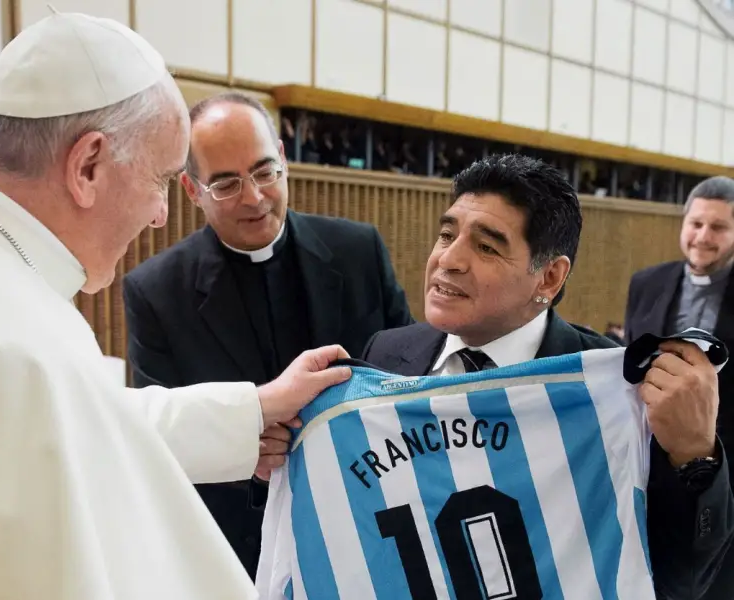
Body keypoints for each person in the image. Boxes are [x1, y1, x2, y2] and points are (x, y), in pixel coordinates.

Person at [0, 12, 353, 600]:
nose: (161, 214)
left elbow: (78, 424)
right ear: (87, 167)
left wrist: (247, 413)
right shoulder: (16, 337)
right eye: (161, 181)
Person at [361, 154, 734, 599]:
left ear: (550, 277)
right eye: (446, 234)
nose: (448, 259)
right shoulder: (384, 354)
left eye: (486, 246)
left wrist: (695, 456)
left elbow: (677, 578)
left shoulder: (614, 390)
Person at [122, 91, 412, 578]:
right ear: (193, 190)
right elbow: (158, 446)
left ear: (283, 157)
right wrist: (239, 448)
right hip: (236, 550)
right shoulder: (156, 292)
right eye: (227, 184)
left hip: (371, 523)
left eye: (263, 171)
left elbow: (407, 371)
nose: (254, 197)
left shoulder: (358, 251)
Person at [626, 175, 734, 599]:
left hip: (720, 461)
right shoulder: (646, 282)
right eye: (696, 224)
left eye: (719, 227)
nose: (703, 237)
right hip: (647, 458)